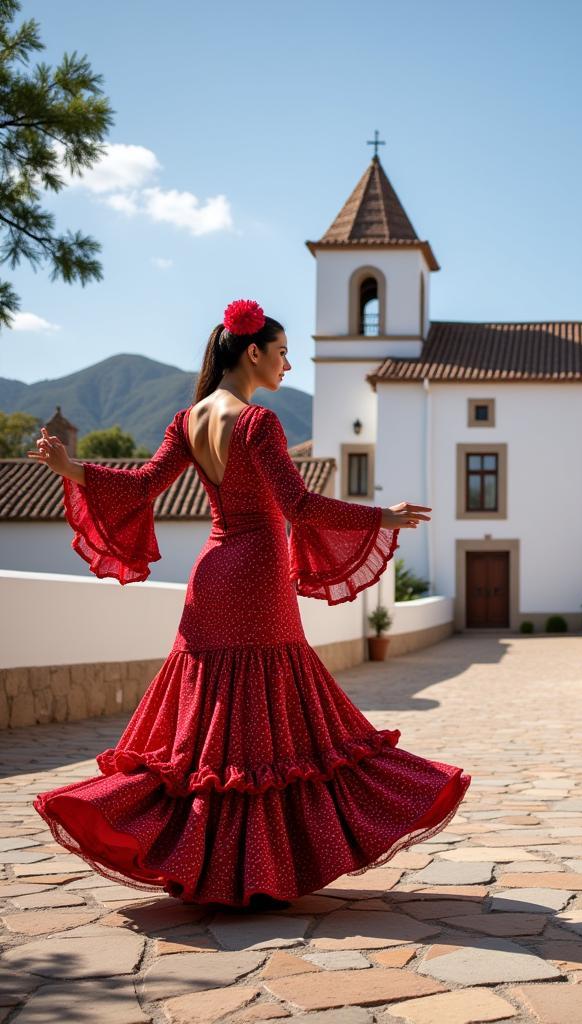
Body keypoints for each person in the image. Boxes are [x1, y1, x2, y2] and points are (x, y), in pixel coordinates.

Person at [31, 299, 470, 909]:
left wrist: (71, 468)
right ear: (253, 352)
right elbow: (300, 507)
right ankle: (260, 865)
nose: (289, 364)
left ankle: (200, 857)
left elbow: (142, 487)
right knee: (267, 718)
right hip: (259, 570)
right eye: (284, 352)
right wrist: (382, 516)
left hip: (211, 574)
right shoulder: (259, 423)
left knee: (209, 723)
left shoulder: (187, 420)